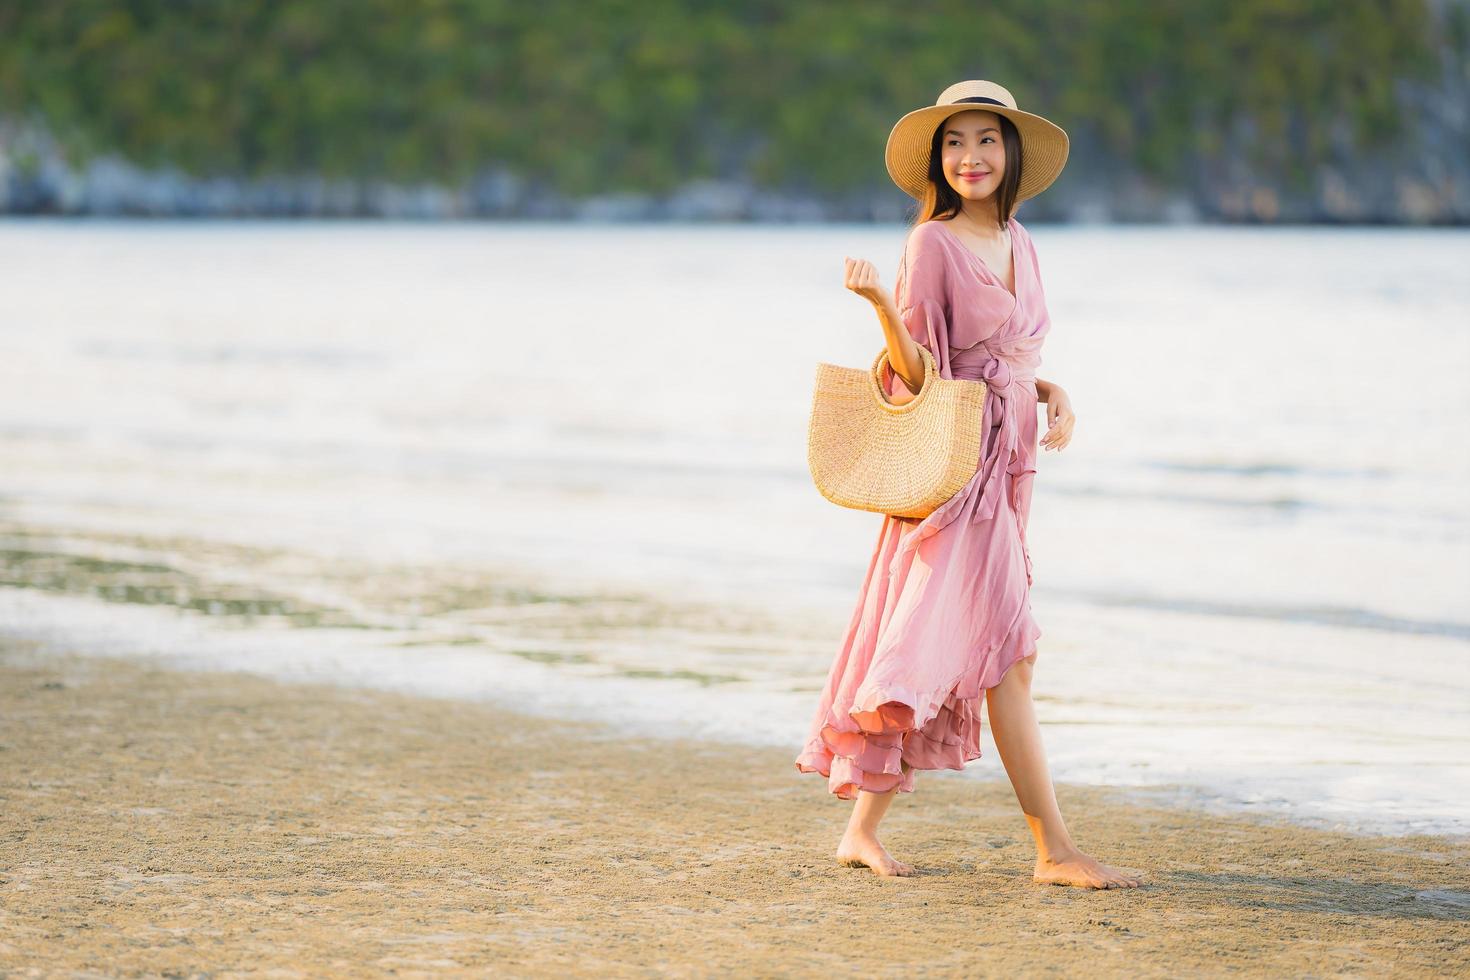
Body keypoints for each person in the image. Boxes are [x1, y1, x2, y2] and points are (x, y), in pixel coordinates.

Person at [794, 80, 1144, 890]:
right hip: (963, 471)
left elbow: (1008, 357)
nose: (970, 158)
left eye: (986, 140)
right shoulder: (934, 245)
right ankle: (1054, 851)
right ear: (937, 159)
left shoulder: (1022, 241)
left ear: (1011, 153)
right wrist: (884, 303)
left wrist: (1053, 391)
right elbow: (921, 373)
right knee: (1005, 657)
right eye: (955, 143)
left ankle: (860, 832)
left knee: (934, 635)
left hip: (1011, 465)